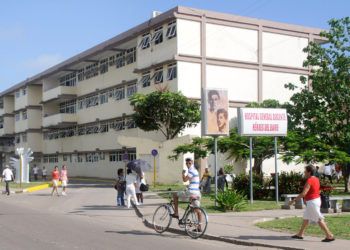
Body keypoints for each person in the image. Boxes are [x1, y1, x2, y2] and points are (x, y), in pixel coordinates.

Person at [289, 165, 334, 242]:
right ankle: (300, 234)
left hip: (312, 202)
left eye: (305, 171)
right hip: (316, 200)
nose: (304, 172)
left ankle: (329, 235)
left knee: (319, 219)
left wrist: (293, 200)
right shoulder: (316, 179)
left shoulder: (309, 180)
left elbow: (303, 193)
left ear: (309, 172)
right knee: (306, 218)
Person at [172, 158, 202, 231]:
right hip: (197, 192)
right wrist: (188, 187)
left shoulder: (191, 170)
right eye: (187, 163)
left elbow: (185, 180)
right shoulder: (196, 171)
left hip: (191, 192)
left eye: (189, 163)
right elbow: (194, 182)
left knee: (175, 195)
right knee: (197, 210)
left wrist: (182, 173)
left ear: (192, 163)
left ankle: (176, 213)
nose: (188, 164)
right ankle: (199, 227)